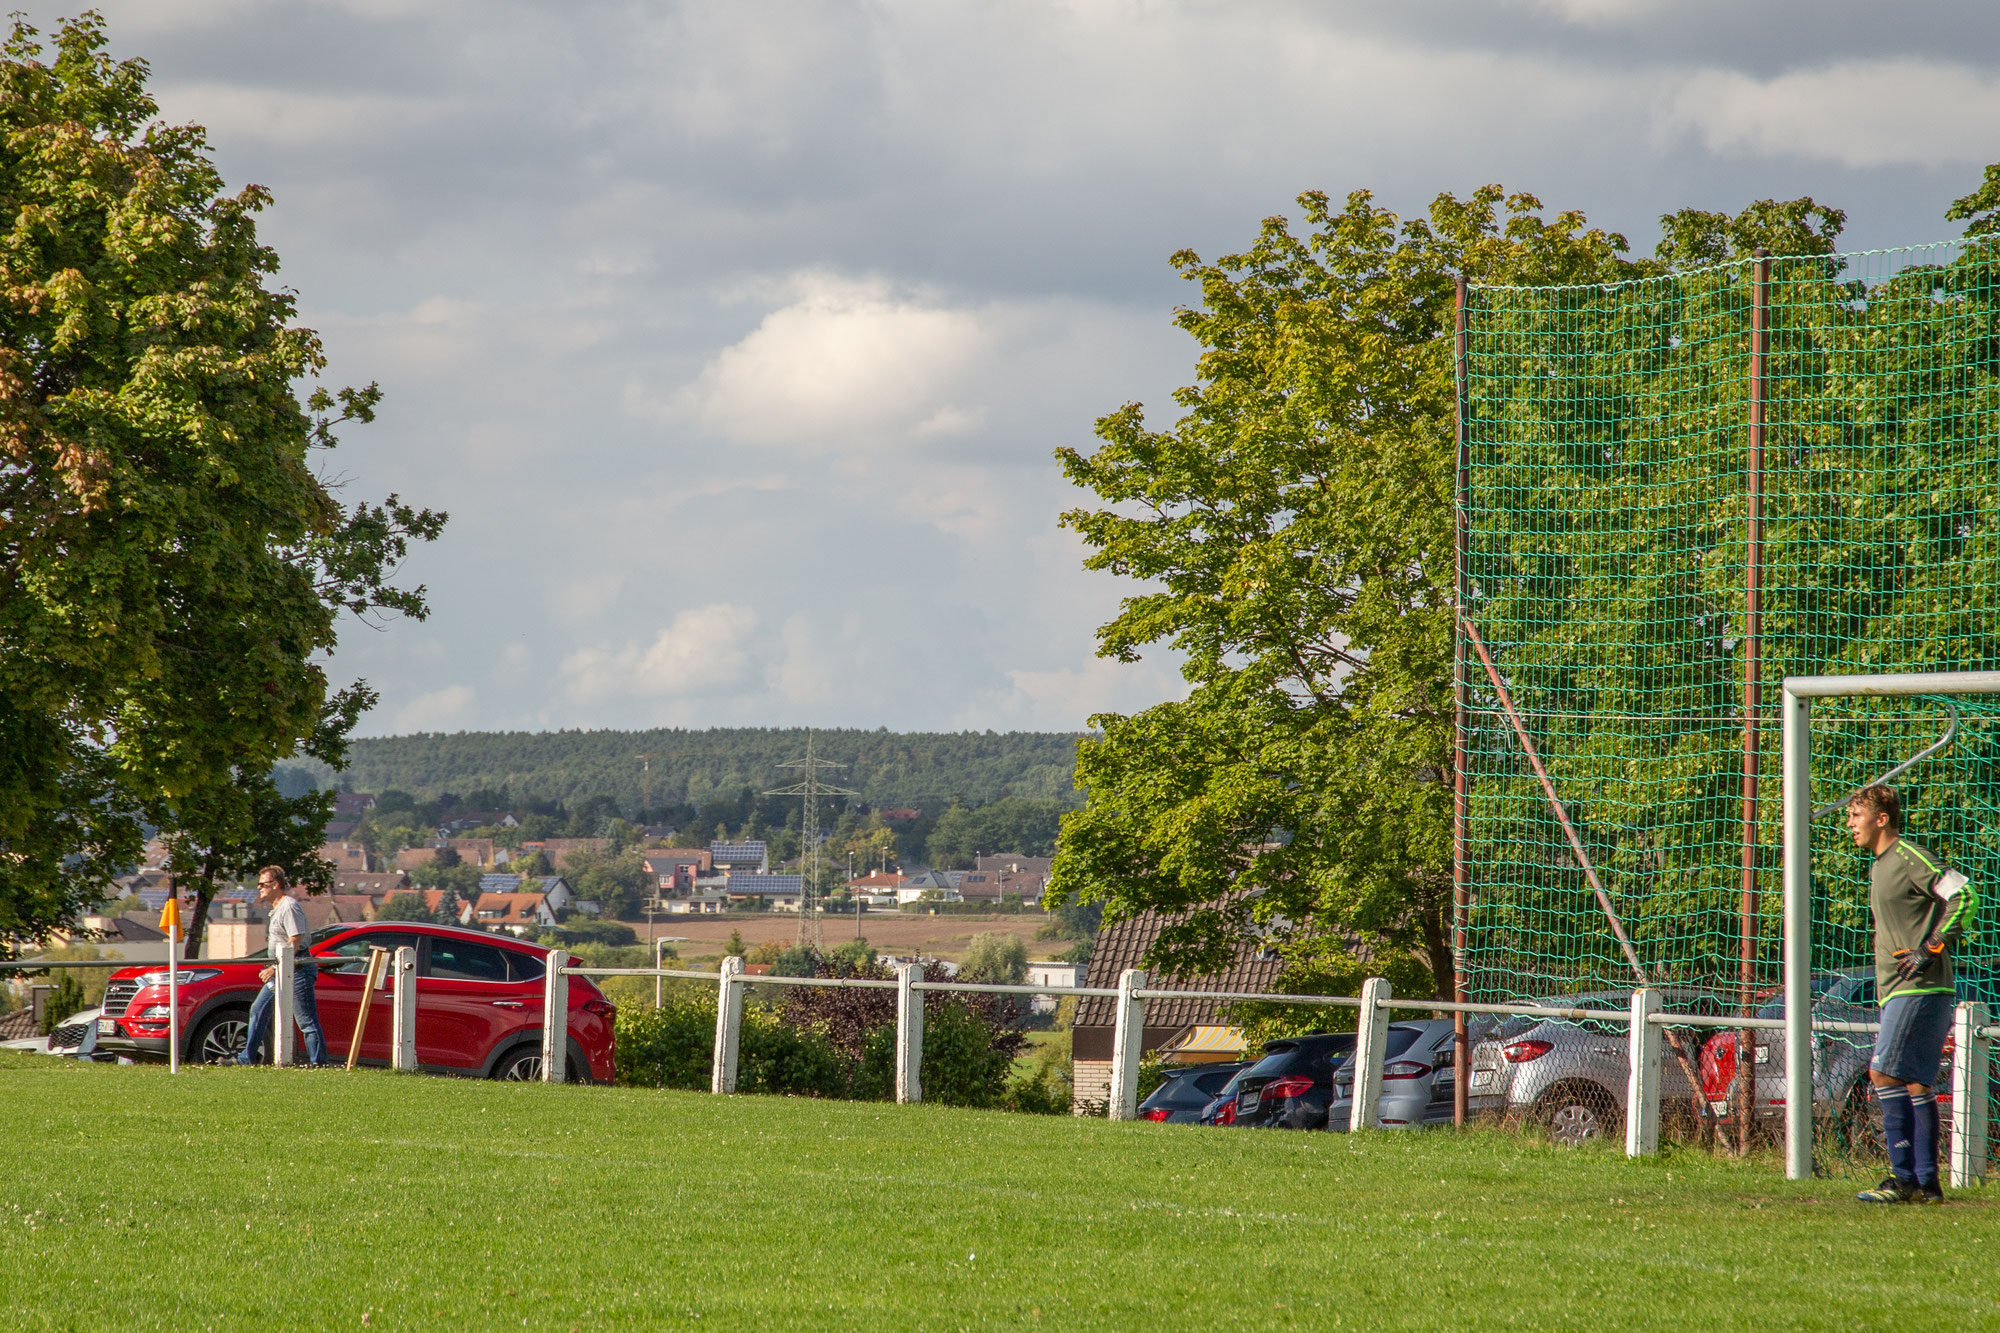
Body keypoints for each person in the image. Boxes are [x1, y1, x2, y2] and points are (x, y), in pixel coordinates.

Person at [1846, 785, 1978, 1204]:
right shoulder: (1879, 865)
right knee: (1918, 1083)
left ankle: (1901, 1179)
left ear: (1881, 818)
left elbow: (1964, 895)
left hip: (1917, 987)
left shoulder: (1909, 857)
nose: (1850, 823)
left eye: (1856, 815)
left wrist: (1931, 947)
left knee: (1882, 1073)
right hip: (1902, 991)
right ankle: (1926, 1183)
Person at [236, 866, 329, 1067]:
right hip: (281, 971)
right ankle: (246, 1059)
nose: (259, 887)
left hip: (297, 970)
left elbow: (295, 940)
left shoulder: (289, 906)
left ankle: (319, 1064)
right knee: (258, 1010)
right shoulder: (277, 909)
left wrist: (275, 968)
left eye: (263, 884)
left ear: (276, 885)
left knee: (306, 1021)